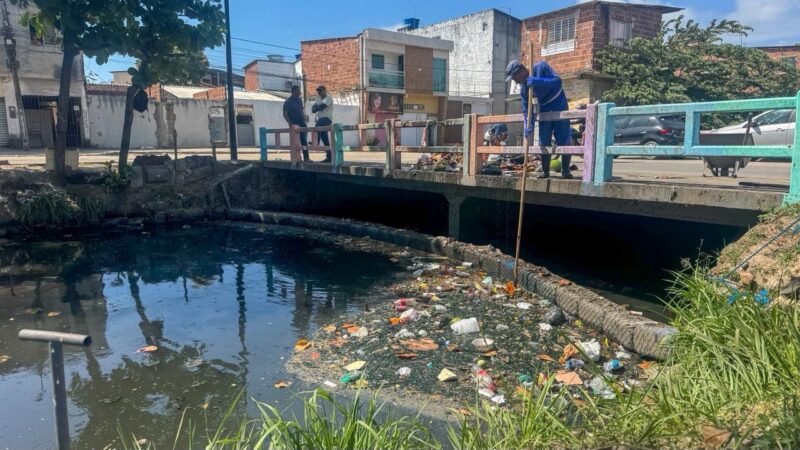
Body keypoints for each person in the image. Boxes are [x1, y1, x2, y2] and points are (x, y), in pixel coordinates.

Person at [506, 60, 573, 179]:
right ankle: (545, 171)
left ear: (520, 72)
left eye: (514, 78)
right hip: (545, 108)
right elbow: (527, 109)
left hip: (559, 104)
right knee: (544, 141)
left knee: (563, 139)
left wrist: (538, 81)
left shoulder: (541, 67)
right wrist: (528, 124)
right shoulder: (524, 89)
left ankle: (566, 170)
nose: (515, 81)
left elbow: (557, 82)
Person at [283, 85, 310, 162]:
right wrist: (290, 124)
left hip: (302, 123)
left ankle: (306, 158)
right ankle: (297, 158)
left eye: (300, 91)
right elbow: (285, 114)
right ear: (293, 91)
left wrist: (304, 117)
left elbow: (301, 111)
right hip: (294, 124)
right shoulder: (288, 102)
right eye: (298, 91)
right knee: (296, 142)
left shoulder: (299, 100)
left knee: (304, 141)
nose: (300, 92)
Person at [312, 85, 334, 163]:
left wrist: (317, 107)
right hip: (320, 119)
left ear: (325, 91)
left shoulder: (328, 98)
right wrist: (317, 107)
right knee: (325, 138)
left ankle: (315, 142)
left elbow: (322, 107)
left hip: (327, 119)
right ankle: (330, 157)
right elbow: (313, 110)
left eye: (320, 91)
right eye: (318, 91)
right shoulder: (317, 99)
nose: (319, 92)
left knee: (318, 124)